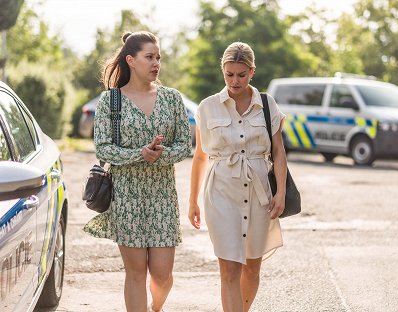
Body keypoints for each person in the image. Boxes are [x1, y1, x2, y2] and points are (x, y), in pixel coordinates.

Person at [84, 31, 192, 312]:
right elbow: (103, 148)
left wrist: (161, 153)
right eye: (149, 57)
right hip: (126, 198)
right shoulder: (112, 102)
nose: (156, 63)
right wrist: (139, 154)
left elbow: (185, 145)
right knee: (135, 274)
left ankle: (156, 306)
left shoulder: (172, 99)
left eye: (158, 58)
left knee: (162, 274)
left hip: (162, 198)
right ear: (131, 60)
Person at [188, 42, 287, 312]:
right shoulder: (207, 108)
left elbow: (278, 152)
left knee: (252, 267)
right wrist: (192, 201)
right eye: (229, 74)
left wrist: (281, 193)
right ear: (223, 71)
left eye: (241, 75)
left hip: (259, 194)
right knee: (229, 269)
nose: (234, 81)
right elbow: (199, 156)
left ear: (252, 72)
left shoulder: (267, 104)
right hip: (220, 192)